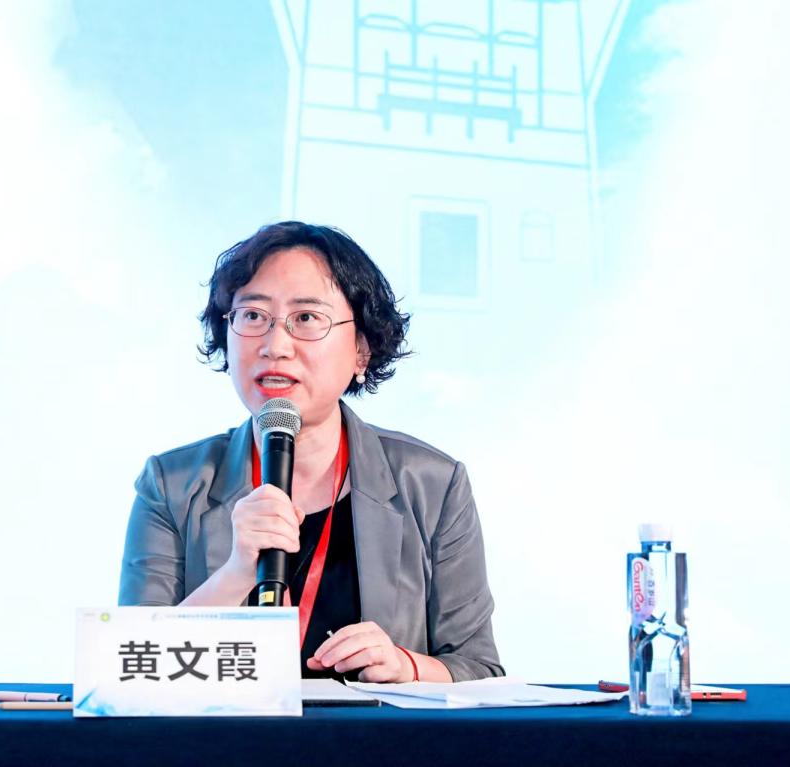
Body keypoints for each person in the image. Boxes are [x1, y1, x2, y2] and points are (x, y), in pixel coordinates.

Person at [119, 221, 503, 683]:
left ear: (362, 350)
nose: (275, 346)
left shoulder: (432, 483)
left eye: (305, 319)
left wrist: (406, 665)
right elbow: (129, 670)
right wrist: (237, 571)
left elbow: (480, 670)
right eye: (253, 316)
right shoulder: (173, 484)